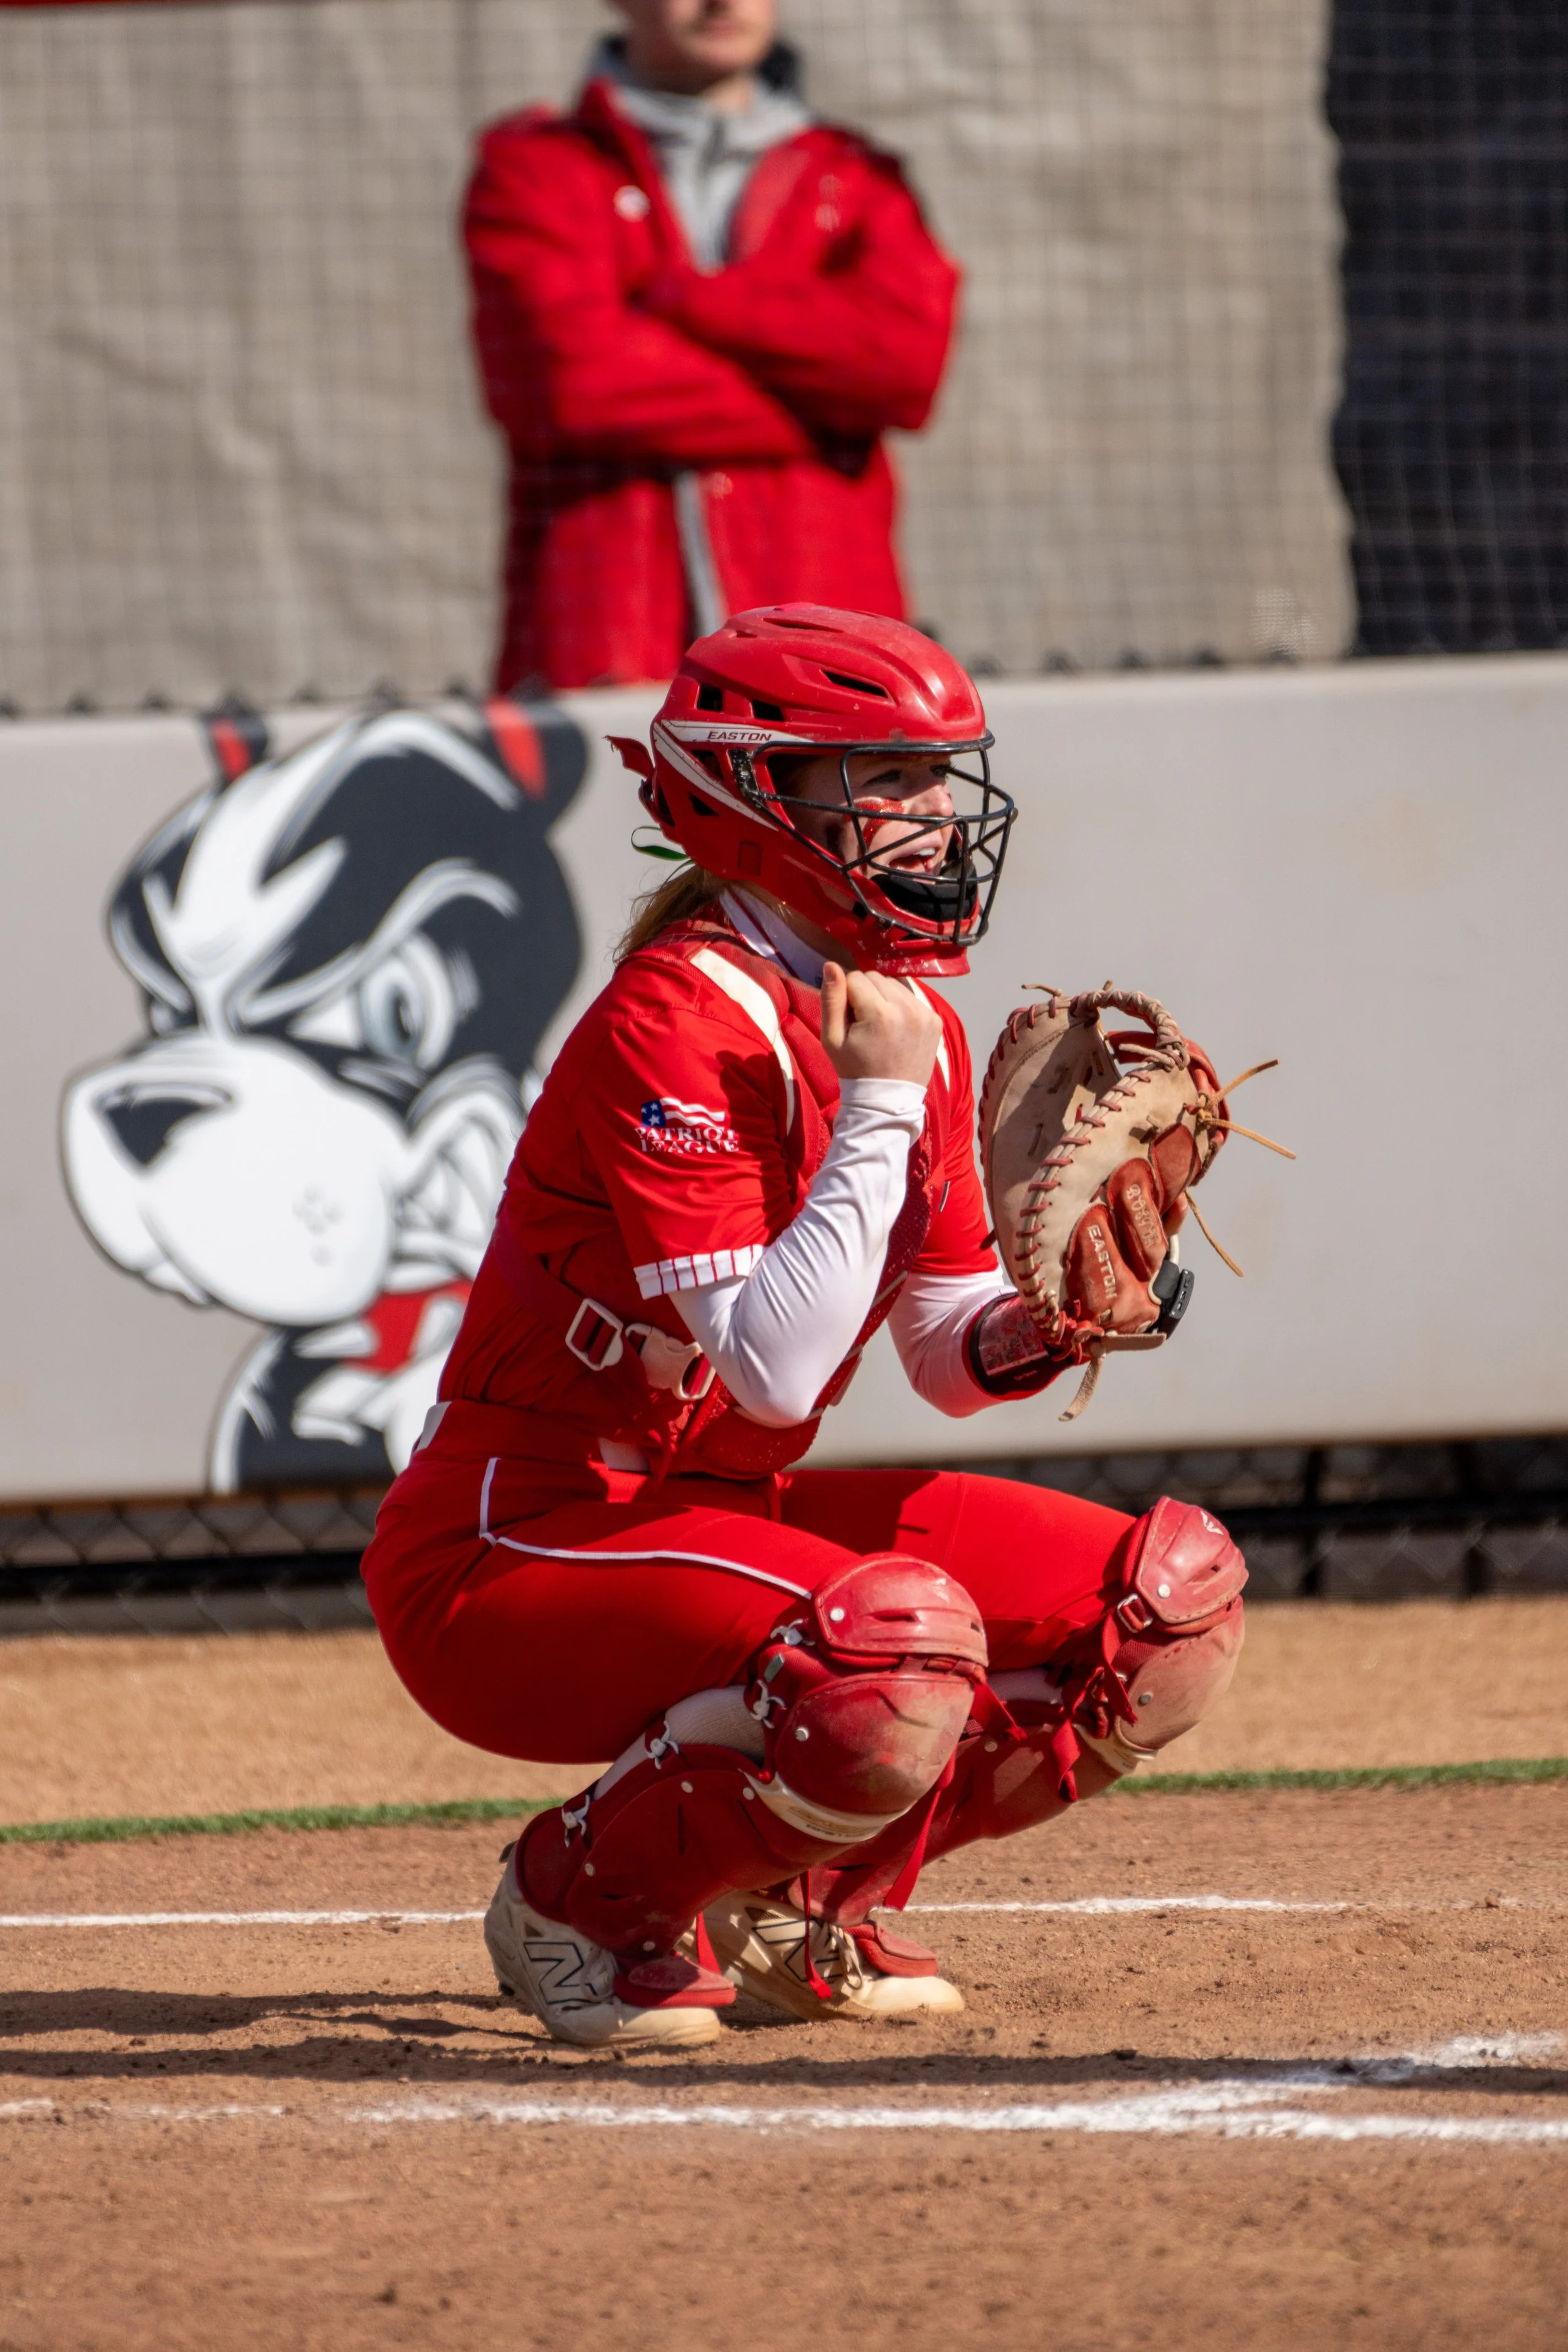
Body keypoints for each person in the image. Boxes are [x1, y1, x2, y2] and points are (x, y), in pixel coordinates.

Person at [361, 603, 1248, 2051]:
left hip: (709, 1507)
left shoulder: (916, 1020)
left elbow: (939, 1347)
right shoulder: (678, 1013)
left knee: (1170, 1598)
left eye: (932, 778)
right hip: (518, 1539)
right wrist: (886, 1101)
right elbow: (771, 1358)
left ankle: (796, 1897)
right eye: (883, 782)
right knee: (896, 1640)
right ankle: (580, 1898)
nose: (931, 817)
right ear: (756, 800)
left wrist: (1047, 1327)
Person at [462, 0, 960, 692]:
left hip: (832, 654)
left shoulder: (857, 178)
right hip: (609, 642)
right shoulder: (536, 168)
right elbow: (571, 386)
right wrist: (819, 411)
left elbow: (901, 371)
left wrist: (680, 298)